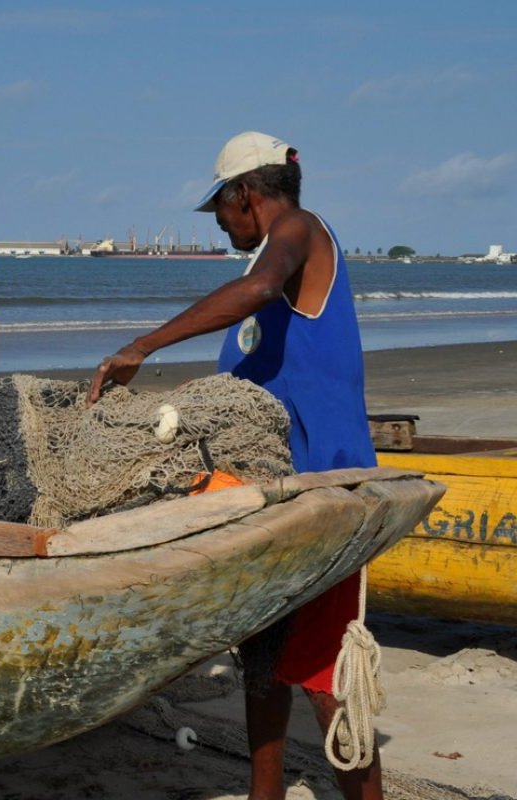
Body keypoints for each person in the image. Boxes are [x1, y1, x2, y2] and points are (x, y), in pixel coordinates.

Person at [88, 132, 381, 800]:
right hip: (267, 498)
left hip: (324, 494)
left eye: (219, 208)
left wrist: (144, 345)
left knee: (326, 677)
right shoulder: (266, 279)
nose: (221, 223)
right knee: (262, 659)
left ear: (244, 193)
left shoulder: (298, 234)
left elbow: (259, 286)